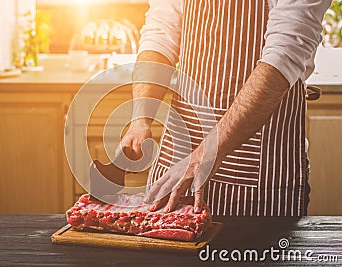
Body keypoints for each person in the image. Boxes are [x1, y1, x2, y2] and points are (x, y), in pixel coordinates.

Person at [120, 0, 332, 216]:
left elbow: (283, 55)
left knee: (258, 248)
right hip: (180, 157)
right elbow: (161, 32)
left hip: (260, 176)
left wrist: (211, 149)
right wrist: (141, 117)